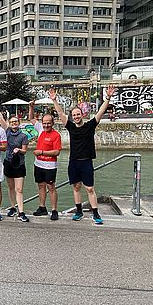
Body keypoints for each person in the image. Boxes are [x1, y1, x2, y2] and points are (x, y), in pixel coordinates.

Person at [51, 85, 116, 224]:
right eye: (74, 115)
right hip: (74, 161)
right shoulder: (71, 127)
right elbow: (61, 115)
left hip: (86, 161)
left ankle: (96, 214)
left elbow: (100, 112)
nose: (76, 117)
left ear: (82, 114)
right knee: (76, 187)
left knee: (90, 188)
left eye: (78, 114)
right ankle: (79, 211)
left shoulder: (90, 126)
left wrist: (108, 98)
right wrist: (54, 101)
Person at [0, 103, 30, 222]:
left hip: (19, 164)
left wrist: (19, 150)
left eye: (16, 122)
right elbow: (1, 119)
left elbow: (25, 151)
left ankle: (21, 211)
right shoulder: (7, 132)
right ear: (10, 123)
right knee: (10, 187)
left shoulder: (23, 136)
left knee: (19, 189)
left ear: (19, 123)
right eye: (12, 122)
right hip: (8, 162)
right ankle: (13, 207)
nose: (14, 123)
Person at [28, 101, 62, 221]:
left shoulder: (56, 135)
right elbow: (31, 118)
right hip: (38, 164)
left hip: (50, 165)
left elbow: (56, 152)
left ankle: (54, 210)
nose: (46, 125)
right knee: (41, 186)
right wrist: (31, 107)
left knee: (51, 187)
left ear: (52, 123)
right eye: (44, 123)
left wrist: (42, 152)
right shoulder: (41, 130)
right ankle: (42, 207)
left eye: (48, 123)